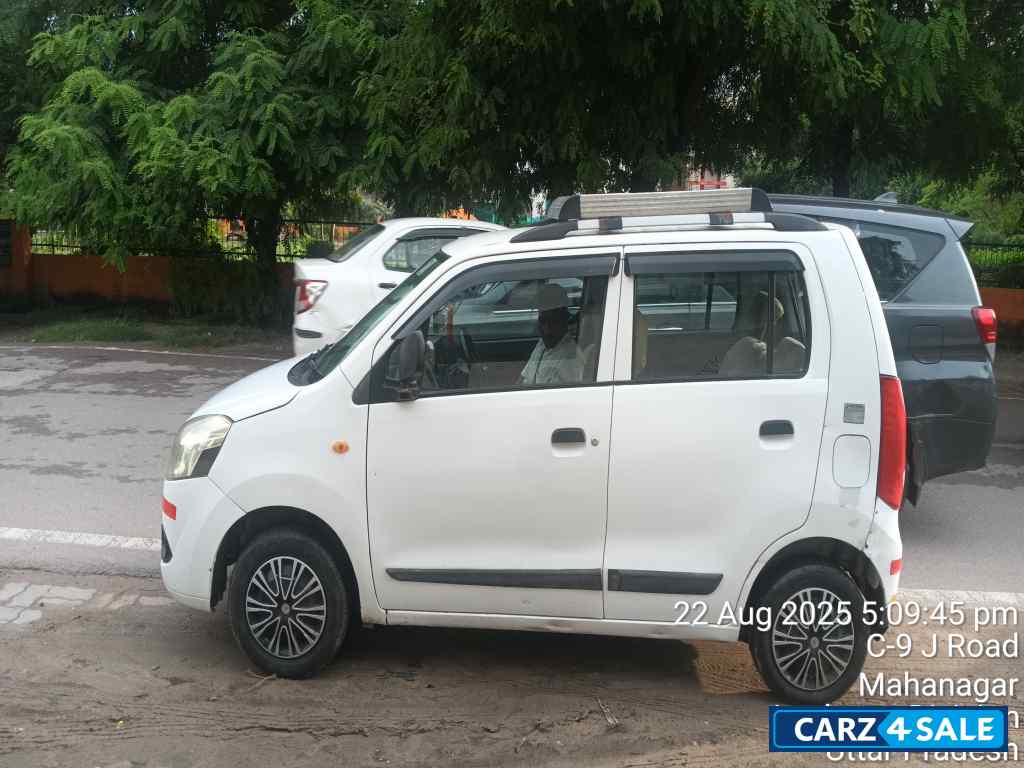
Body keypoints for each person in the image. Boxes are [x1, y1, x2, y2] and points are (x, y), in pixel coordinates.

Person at [518, 283, 584, 385]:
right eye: (542, 321)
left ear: (564, 318)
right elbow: (523, 377)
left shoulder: (571, 359)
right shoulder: (543, 343)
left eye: (553, 321)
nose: (546, 330)